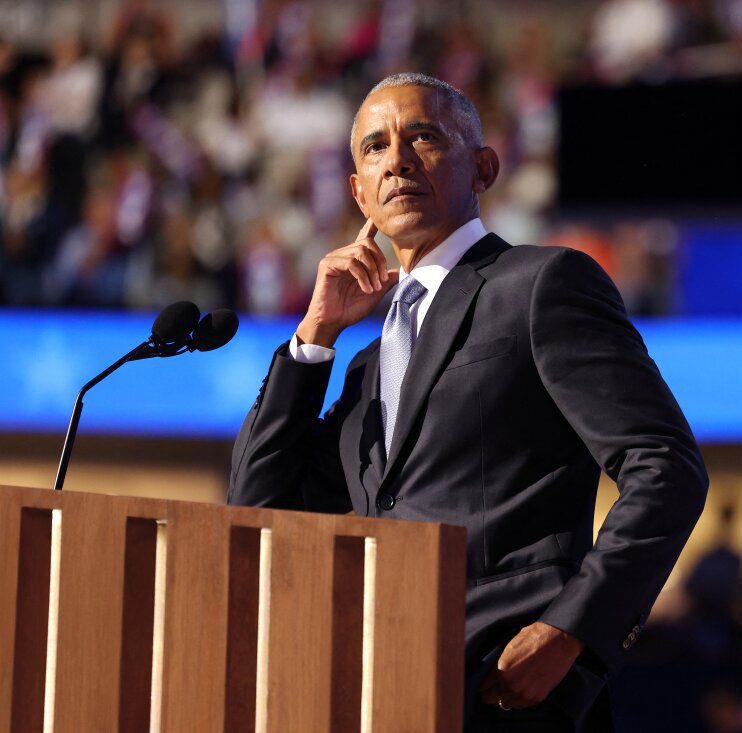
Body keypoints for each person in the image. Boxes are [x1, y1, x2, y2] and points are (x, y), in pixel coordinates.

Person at [227, 72, 708, 732]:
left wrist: (573, 632)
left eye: (421, 136)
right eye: (374, 147)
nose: (395, 158)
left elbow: (665, 467)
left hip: (510, 694)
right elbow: (259, 509)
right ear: (358, 191)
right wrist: (313, 336)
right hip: (380, 691)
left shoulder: (541, 285)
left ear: (483, 166)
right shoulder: (367, 368)